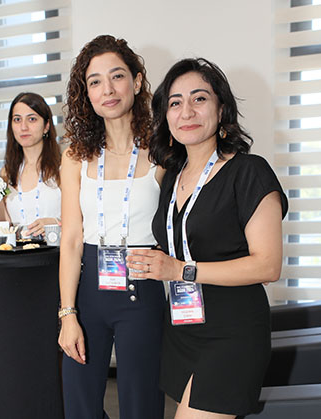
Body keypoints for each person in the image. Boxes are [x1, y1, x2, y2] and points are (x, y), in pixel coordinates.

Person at [127, 58, 288, 418]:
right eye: (175, 102)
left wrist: (180, 270)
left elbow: (268, 265)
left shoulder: (249, 171)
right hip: (183, 329)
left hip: (233, 332)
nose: (187, 111)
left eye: (199, 99)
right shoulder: (172, 177)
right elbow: (187, 240)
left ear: (221, 109)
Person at [58, 35, 166, 419]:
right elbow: (71, 239)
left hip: (143, 286)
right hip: (89, 291)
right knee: (80, 407)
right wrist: (67, 313)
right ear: (86, 93)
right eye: (95, 81)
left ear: (136, 82)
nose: (107, 89)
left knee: (141, 406)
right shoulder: (75, 156)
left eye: (117, 76)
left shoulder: (163, 151)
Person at [0, 92, 61, 237]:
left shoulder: (63, 167)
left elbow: (82, 220)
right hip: (18, 250)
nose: (23, 127)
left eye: (31, 119)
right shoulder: (7, 172)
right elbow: (4, 228)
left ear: (46, 126)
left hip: (57, 249)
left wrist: (55, 223)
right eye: (17, 119)